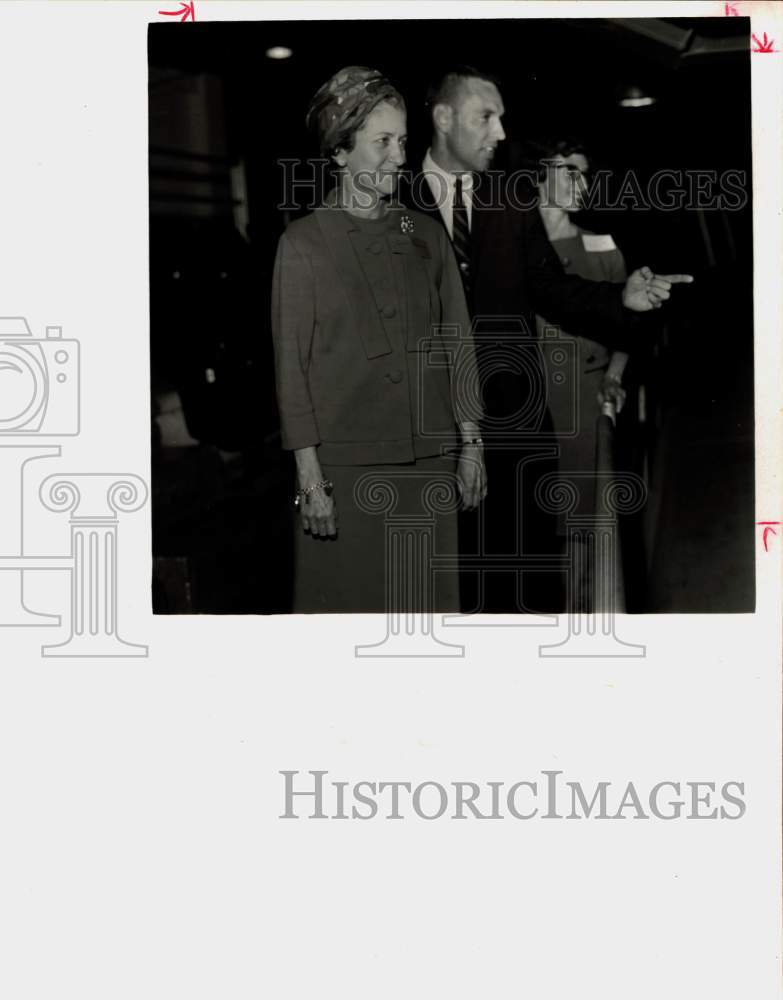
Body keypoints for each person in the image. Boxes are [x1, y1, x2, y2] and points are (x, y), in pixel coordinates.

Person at [408, 66, 692, 612]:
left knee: (522, 589)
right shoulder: (395, 203)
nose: (499, 133)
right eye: (485, 117)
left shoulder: (510, 202)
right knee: (438, 590)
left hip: (513, 427)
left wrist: (622, 300)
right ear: (443, 118)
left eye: (502, 119)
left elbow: (552, 288)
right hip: (426, 429)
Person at [271, 66, 486, 613]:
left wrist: (471, 446)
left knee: (428, 625)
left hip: (431, 464)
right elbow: (291, 370)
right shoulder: (302, 244)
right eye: (382, 142)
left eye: (404, 141)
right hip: (343, 476)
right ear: (340, 153)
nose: (398, 156)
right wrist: (309, 481)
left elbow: (458, 342)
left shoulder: (426, 234)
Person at [532, 136, 632, 610]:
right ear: (538, 173)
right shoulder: (512, 245)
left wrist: (614, 373)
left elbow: (628, 328)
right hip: (530, 410)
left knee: (586, 535)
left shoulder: (602, 245)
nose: (582, 183)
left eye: (586, 174)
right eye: (570, 170)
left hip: (584, 402)